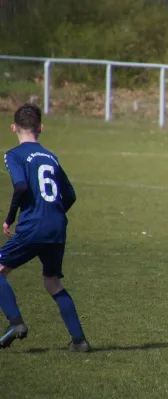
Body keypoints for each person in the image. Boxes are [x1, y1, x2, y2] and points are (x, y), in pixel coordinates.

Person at [0, 104, 90, 352]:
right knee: (52, 282)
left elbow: (20, 187)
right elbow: (70, 195)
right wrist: (53, 215)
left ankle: (16, 323)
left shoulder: (14, 155)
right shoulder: (51, 156)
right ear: (41, 128)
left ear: (13, 128)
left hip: (34, 226)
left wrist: (10, 219)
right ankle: (79, 340)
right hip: (57, 227)